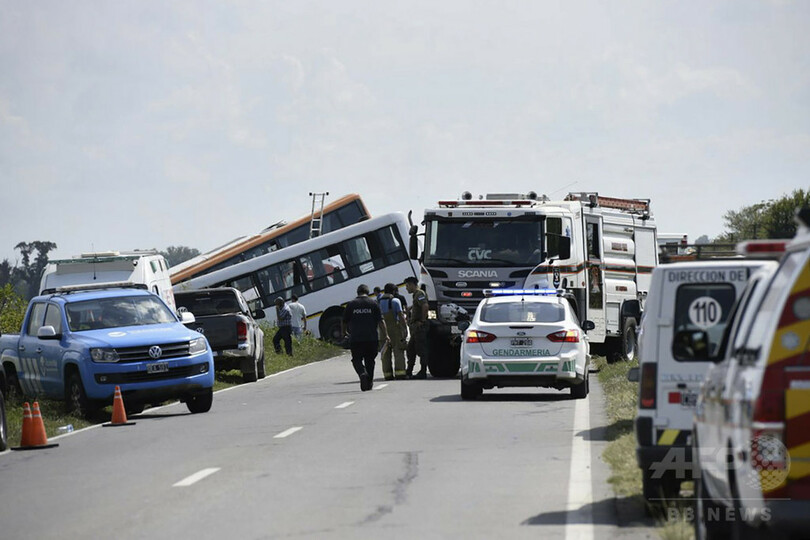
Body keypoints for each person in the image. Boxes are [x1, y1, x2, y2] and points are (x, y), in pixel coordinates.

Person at [342, 284, 389, 391]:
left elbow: (344, 321)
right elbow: (381, 321)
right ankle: (369, 382)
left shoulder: (351, 304)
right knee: (370, 361)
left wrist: (344, 332)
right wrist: (386, 335)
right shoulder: (374, 303)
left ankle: (362, 373)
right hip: (371, 338)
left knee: (356, 360)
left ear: (357, 292)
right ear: (368, 293)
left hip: (356, 338)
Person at [379, 283, 408, 380]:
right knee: (398, 351)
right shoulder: (395, 301)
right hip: (395, 329)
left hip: (382, 330)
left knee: (385, 353)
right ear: (394, 291)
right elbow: (401, 316)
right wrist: (404, 329)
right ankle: (400, 373)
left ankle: (387, 374)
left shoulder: (378, 302)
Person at [404, 276, 430, 379]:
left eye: (407, 286)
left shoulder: (419, 294)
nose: (406, 288)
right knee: (410, 349)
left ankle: (423, 371)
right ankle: (409, 371)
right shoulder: (416, 295)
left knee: (421, 349)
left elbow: (425, 306)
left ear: (412, 285)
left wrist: (422, 320)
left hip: (420, 327)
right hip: (415, 327)